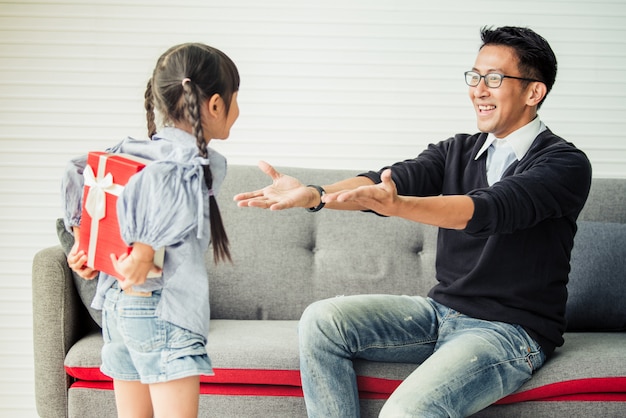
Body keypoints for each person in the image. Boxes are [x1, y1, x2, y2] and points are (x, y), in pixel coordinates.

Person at [234, 26, 592, 417]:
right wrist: (317, 195)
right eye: (474, 77)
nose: (478, 90)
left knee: (405, 411)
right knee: (322, 320)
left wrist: (399, 206)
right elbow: (385, 181)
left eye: (493, 79)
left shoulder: (565, 164)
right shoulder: (457, 149)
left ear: (533, 92)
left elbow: (489, 209)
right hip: (442, 312)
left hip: (510, 332)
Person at [62, 43, 239, 418]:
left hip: (117, 307)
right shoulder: (198, 160)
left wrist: (85, 244)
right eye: (236, 100)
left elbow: (79, 169)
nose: (238, 112)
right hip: (164, 308)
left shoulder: (130, 149)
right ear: (216, 105)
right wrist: (143, 249)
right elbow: (168, 181)